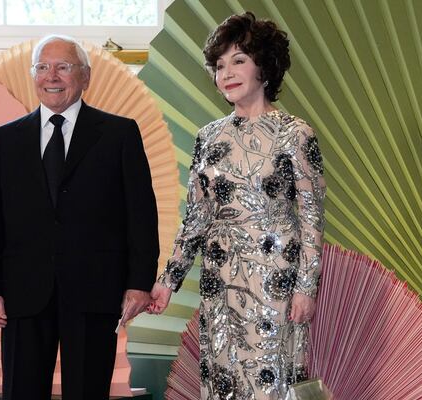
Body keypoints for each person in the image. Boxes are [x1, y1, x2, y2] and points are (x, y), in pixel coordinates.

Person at [149, 12, 325, 399]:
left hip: (274, 276)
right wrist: (168, 281)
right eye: (219, 65)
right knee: (223, 379)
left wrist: (305, 287)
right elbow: (195, 217)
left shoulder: (295, 133)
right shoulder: (208, 136)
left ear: (264, 66)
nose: (225, 72)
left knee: (270, 380)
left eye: (238, 60)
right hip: (220, 277)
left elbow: (312, 217)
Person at [0, 34, 159, 400]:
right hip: (22, 295)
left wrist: (139, 283)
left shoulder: (120, 134)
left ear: (85, 76)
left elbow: (141, 216)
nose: (51, 76)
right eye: (42, 67)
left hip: (96, 292)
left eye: (63, 66)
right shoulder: (4, 140)